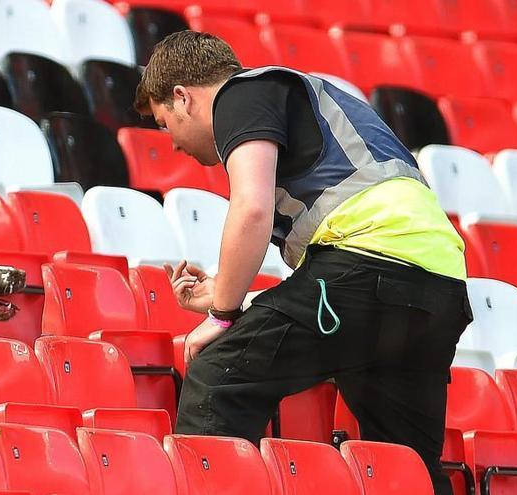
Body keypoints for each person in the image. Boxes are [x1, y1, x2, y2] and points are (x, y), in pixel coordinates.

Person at [134, 31, 472, 494]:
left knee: (218, 376)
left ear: (183, 98)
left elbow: (251, 209)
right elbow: (334, 293)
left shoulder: (241, 93)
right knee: (407, 462)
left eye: (163, 123)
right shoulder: (317, 104)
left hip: (368, 265)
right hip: (438, 289)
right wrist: (233, 292)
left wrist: (223, 314)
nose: (171, 143)